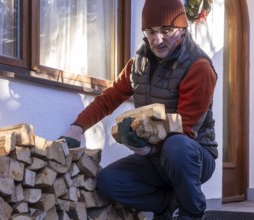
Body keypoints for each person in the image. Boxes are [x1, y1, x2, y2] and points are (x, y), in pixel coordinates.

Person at [61, 0, 218, 219]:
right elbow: (108, 99)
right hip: (156, 157)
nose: (157, 39)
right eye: (151, 31)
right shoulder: (138, 65)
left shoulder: (198, 66)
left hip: (194, 155)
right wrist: (76, 129)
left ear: (182, 29)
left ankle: (192, 211)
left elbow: (186, 130)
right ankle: (167, 203)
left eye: (166, 31)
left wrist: (146, 149)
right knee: (108, 182)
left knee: (176, 146)